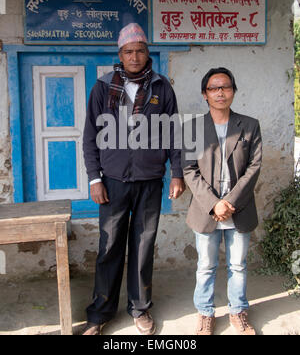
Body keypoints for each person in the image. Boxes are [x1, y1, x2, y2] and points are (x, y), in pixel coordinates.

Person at [82, 23, 185, 335]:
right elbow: (90, 136)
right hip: (112, 181)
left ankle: (140, 309)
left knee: (143, 246)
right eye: (129, 51)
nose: (135, 56)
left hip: (150, 181)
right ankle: (100, 313)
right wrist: (93, 179)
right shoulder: (102, 87)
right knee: (109, 246)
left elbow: (175, 133)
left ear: (147, 53)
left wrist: (177, 172)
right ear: (120, 55)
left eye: (140, 50)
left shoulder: (162, 87)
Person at [183, 67, 262, 335]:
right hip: (207, 210)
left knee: (238, 264)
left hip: (238, 209)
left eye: (225, 87)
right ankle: (205, 312)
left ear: (233, 91)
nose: (220, 92)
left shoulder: (249, 125)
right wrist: (214, 203)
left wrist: (229, 202)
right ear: (205, 94)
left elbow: (255, 166)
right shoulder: (192, 127)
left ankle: (238, 311)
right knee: (206, 265)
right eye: (214, 88)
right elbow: (189, 170)